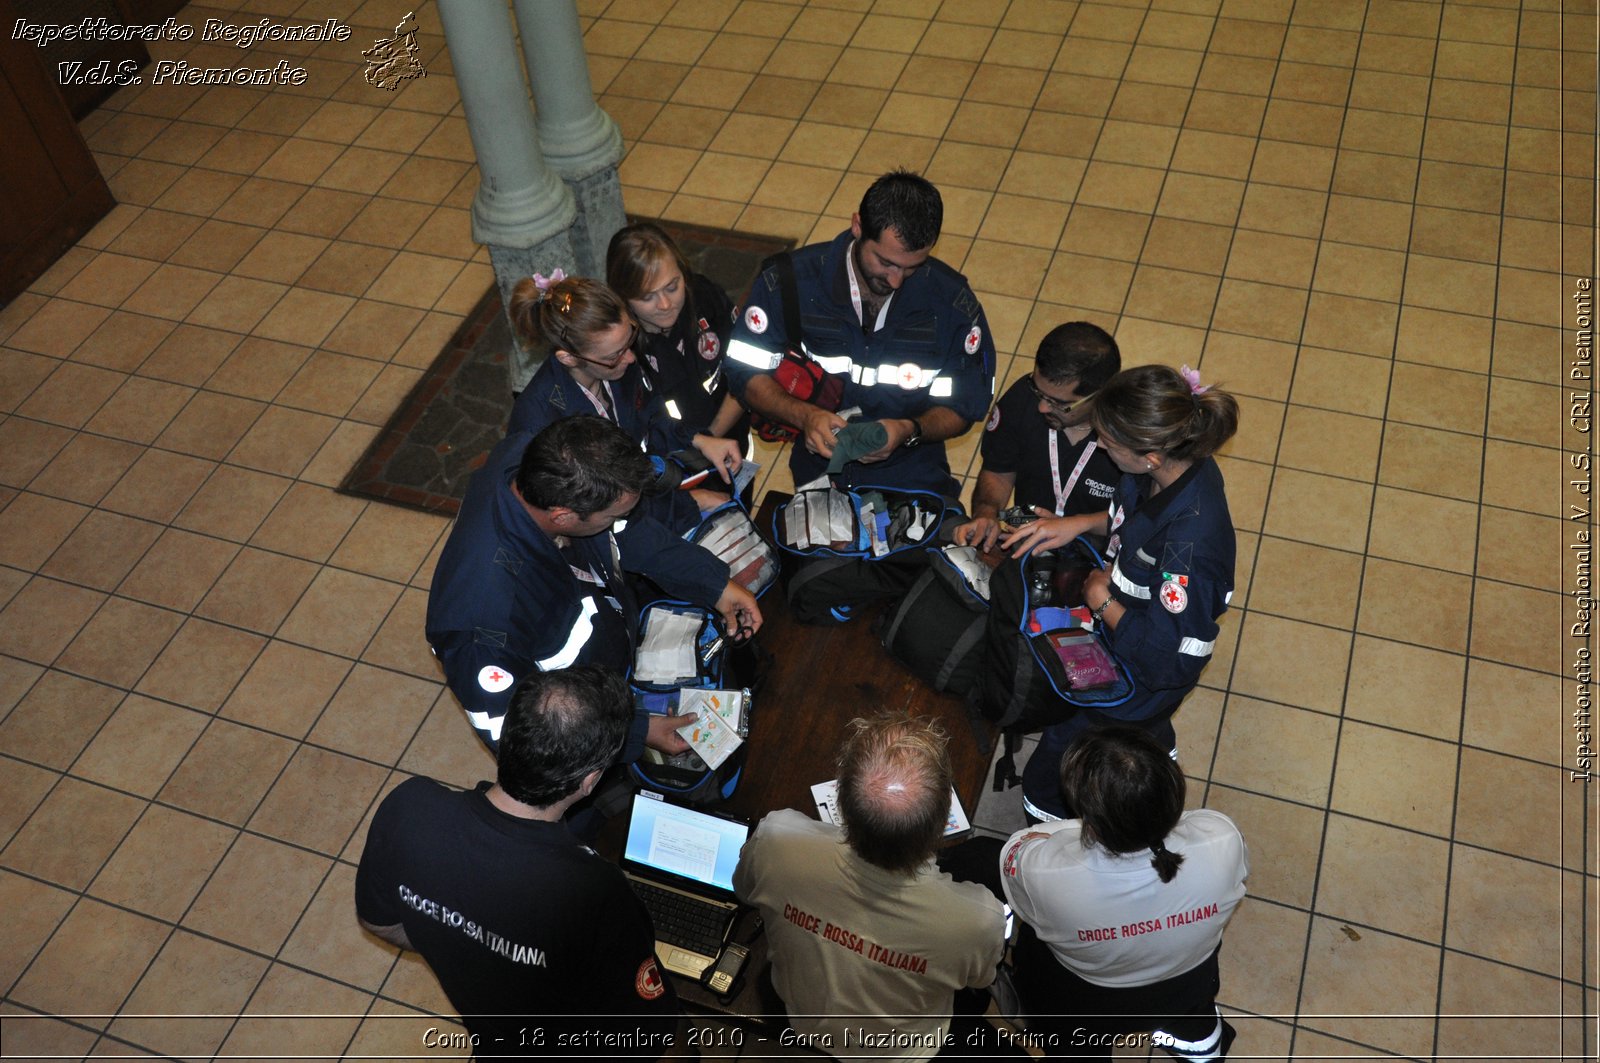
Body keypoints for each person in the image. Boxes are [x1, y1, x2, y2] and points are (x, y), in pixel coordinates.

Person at [355, 666, 683, 1060]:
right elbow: (652, 1032)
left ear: (509, 736)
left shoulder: (408, 809)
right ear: (590, 781)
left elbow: (379, 921)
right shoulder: (594, 890)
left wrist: (461, 941)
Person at [425, 415, 761, 756]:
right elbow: (529, 740)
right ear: (563, 517)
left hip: (612, 669)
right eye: (612, 516)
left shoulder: (534, 458)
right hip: (589, 737)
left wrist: (713, 583)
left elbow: (625, 530)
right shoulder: (480, 619)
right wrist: (636, 731)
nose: (619, 520)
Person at [1007, 365, 1239, 821]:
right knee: (1146, 733)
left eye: (1108, 442)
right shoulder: (1172, 467)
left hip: (1138, 678)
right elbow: (1130, 521)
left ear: (1150, 454)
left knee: (1058, 763)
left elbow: (1168, 658)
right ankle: (1153, 755)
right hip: (1128, 645)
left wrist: (1102, 600)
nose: (1099, 445)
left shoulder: (1192, 546)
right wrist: (1073, 523)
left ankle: (1046, 830)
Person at [733, 711, 1007, 1059]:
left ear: (842, 807)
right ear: (941, 824)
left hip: (802, 1016)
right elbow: (979, 980)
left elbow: (743, 889)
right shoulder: (978, 918)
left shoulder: (776, 839)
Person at [723, 170, 995, 498]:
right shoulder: (787, 284)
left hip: (913, 473)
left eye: (912, 266)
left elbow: (965, 404)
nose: (896, 280)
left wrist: (908, 429)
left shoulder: (953, 306)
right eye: (886, 262)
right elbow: (744, 371)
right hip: (818, 469)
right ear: (857, 227)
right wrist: (805, 415)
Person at [999, 726, 1248, 1062]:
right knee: (1196, 1026)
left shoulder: (1046, 873)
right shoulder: (1223, 838)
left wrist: (1076, 829)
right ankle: (1199, 1047)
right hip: (1187, 984)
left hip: (1084, 1000)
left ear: (1092, 821)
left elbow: (1020, 848)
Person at [505, 273, 742, 533]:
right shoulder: (540, 422)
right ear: (568, 358)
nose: (630, 358)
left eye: (630, 340)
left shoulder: (613, 366)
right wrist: (688, 504)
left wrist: (697, 439)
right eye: (615, 355)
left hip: (647, 500)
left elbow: (651, 416)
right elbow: (597, 512)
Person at [951, 322, 1122, 552]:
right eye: (1038, 391)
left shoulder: (1131, 432)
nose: (1042, 407)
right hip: (1026, 526)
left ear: (1101, 394)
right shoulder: (1021, 398)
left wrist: (1076, 525)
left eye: (1060, 404)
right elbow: (998, 471)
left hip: (1100, 545)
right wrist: (987, 515)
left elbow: (1147, 514)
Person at [607, 222, 748, 446]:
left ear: (682, 271)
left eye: (672, 287)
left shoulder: (706, 298)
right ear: (622, 297)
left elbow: (746, 370)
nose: (665, 305)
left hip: (731, 440)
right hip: (669, 461)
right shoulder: (618, 347)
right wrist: (697, 449)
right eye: (647, 297)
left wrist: (712, 438)